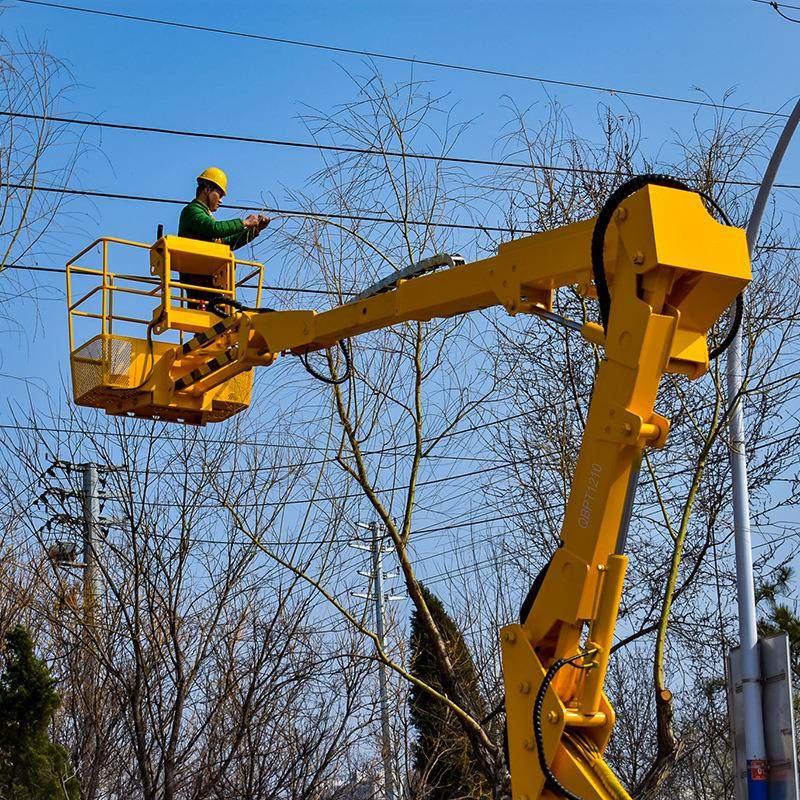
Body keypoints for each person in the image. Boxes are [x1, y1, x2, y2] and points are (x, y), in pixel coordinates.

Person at [177, 167, 269, 304]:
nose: (220, 200)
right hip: (196, 277)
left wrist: (255, 230)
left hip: (208, 278)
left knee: (223, 310)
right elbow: (215, 229)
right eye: (219, 194)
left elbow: (227, 242)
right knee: (220, 310)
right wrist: (245, 222)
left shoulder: (206, 216)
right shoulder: (192, 211)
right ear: (207, 189)